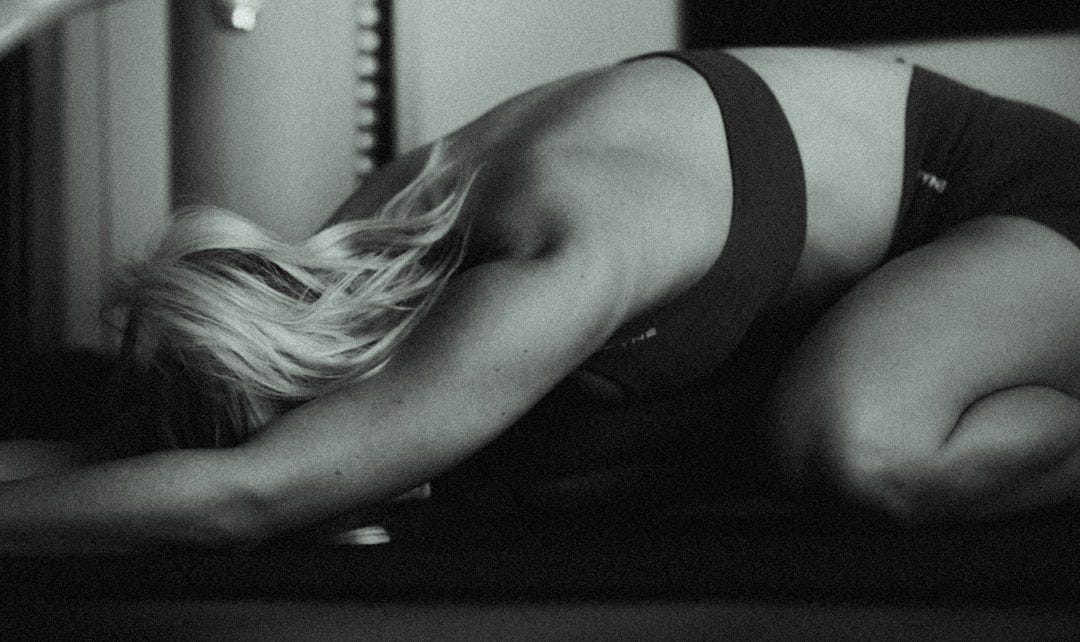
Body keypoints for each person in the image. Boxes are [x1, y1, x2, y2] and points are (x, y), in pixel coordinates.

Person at [3, 46, 1080, 553]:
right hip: (897, 263)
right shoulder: (363, 241)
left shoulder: (546, 248)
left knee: (858, 445)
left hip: (1019, 202)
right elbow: (136, 456)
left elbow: (249, 495)